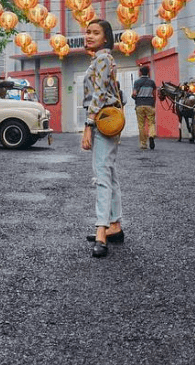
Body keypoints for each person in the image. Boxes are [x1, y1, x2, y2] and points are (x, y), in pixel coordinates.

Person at [81, 18, 123, 258]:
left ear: (106, 38)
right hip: (103, 120)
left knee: (102, 176)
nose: (89, 36)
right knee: (110, 173)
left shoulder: (103, 59)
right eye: (88, 32)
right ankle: (115, 226)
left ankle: (101, 232)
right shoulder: (98, 59)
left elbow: (97, 96)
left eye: (95, 33)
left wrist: (88, 125)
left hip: (101, 121)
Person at [132, 65, 157, 150]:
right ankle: (151, 135)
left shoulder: (137, 82)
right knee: (151, 123)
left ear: (141, 72)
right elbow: (154, 95)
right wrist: (154, 104)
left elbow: (134, 94)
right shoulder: (152, 82)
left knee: (141, 125)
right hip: (149, 104)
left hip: (139, 105)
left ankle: (143, 144)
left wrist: (133, 96)